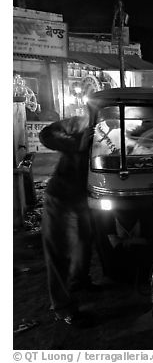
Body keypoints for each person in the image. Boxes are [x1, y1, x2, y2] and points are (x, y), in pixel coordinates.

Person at [39, 113, 100, 326]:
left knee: (85, 241)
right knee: (59, 251)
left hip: (85, 198)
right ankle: (62, 307)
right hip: (62, 196)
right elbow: (46, 134)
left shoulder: (120, 127)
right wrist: (77, 143)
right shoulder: (82, 123)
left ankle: (79, 282)